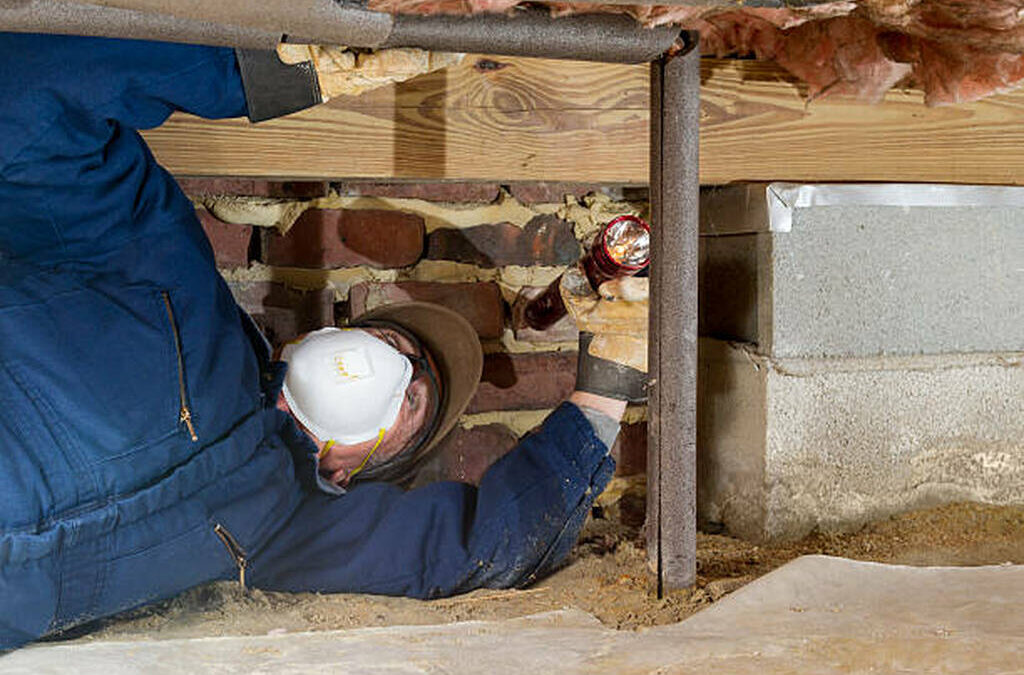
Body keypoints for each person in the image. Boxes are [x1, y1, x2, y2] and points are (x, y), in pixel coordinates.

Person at [0, 33, 649, 650]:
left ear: (350, 470)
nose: (398, 360)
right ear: (308, 339)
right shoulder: (169, 274)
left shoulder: (293, 528)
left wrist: (607, 388)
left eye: (413, 395)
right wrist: (280, 66)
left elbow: (479, 547)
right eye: (390, 338)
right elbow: (28, 101)